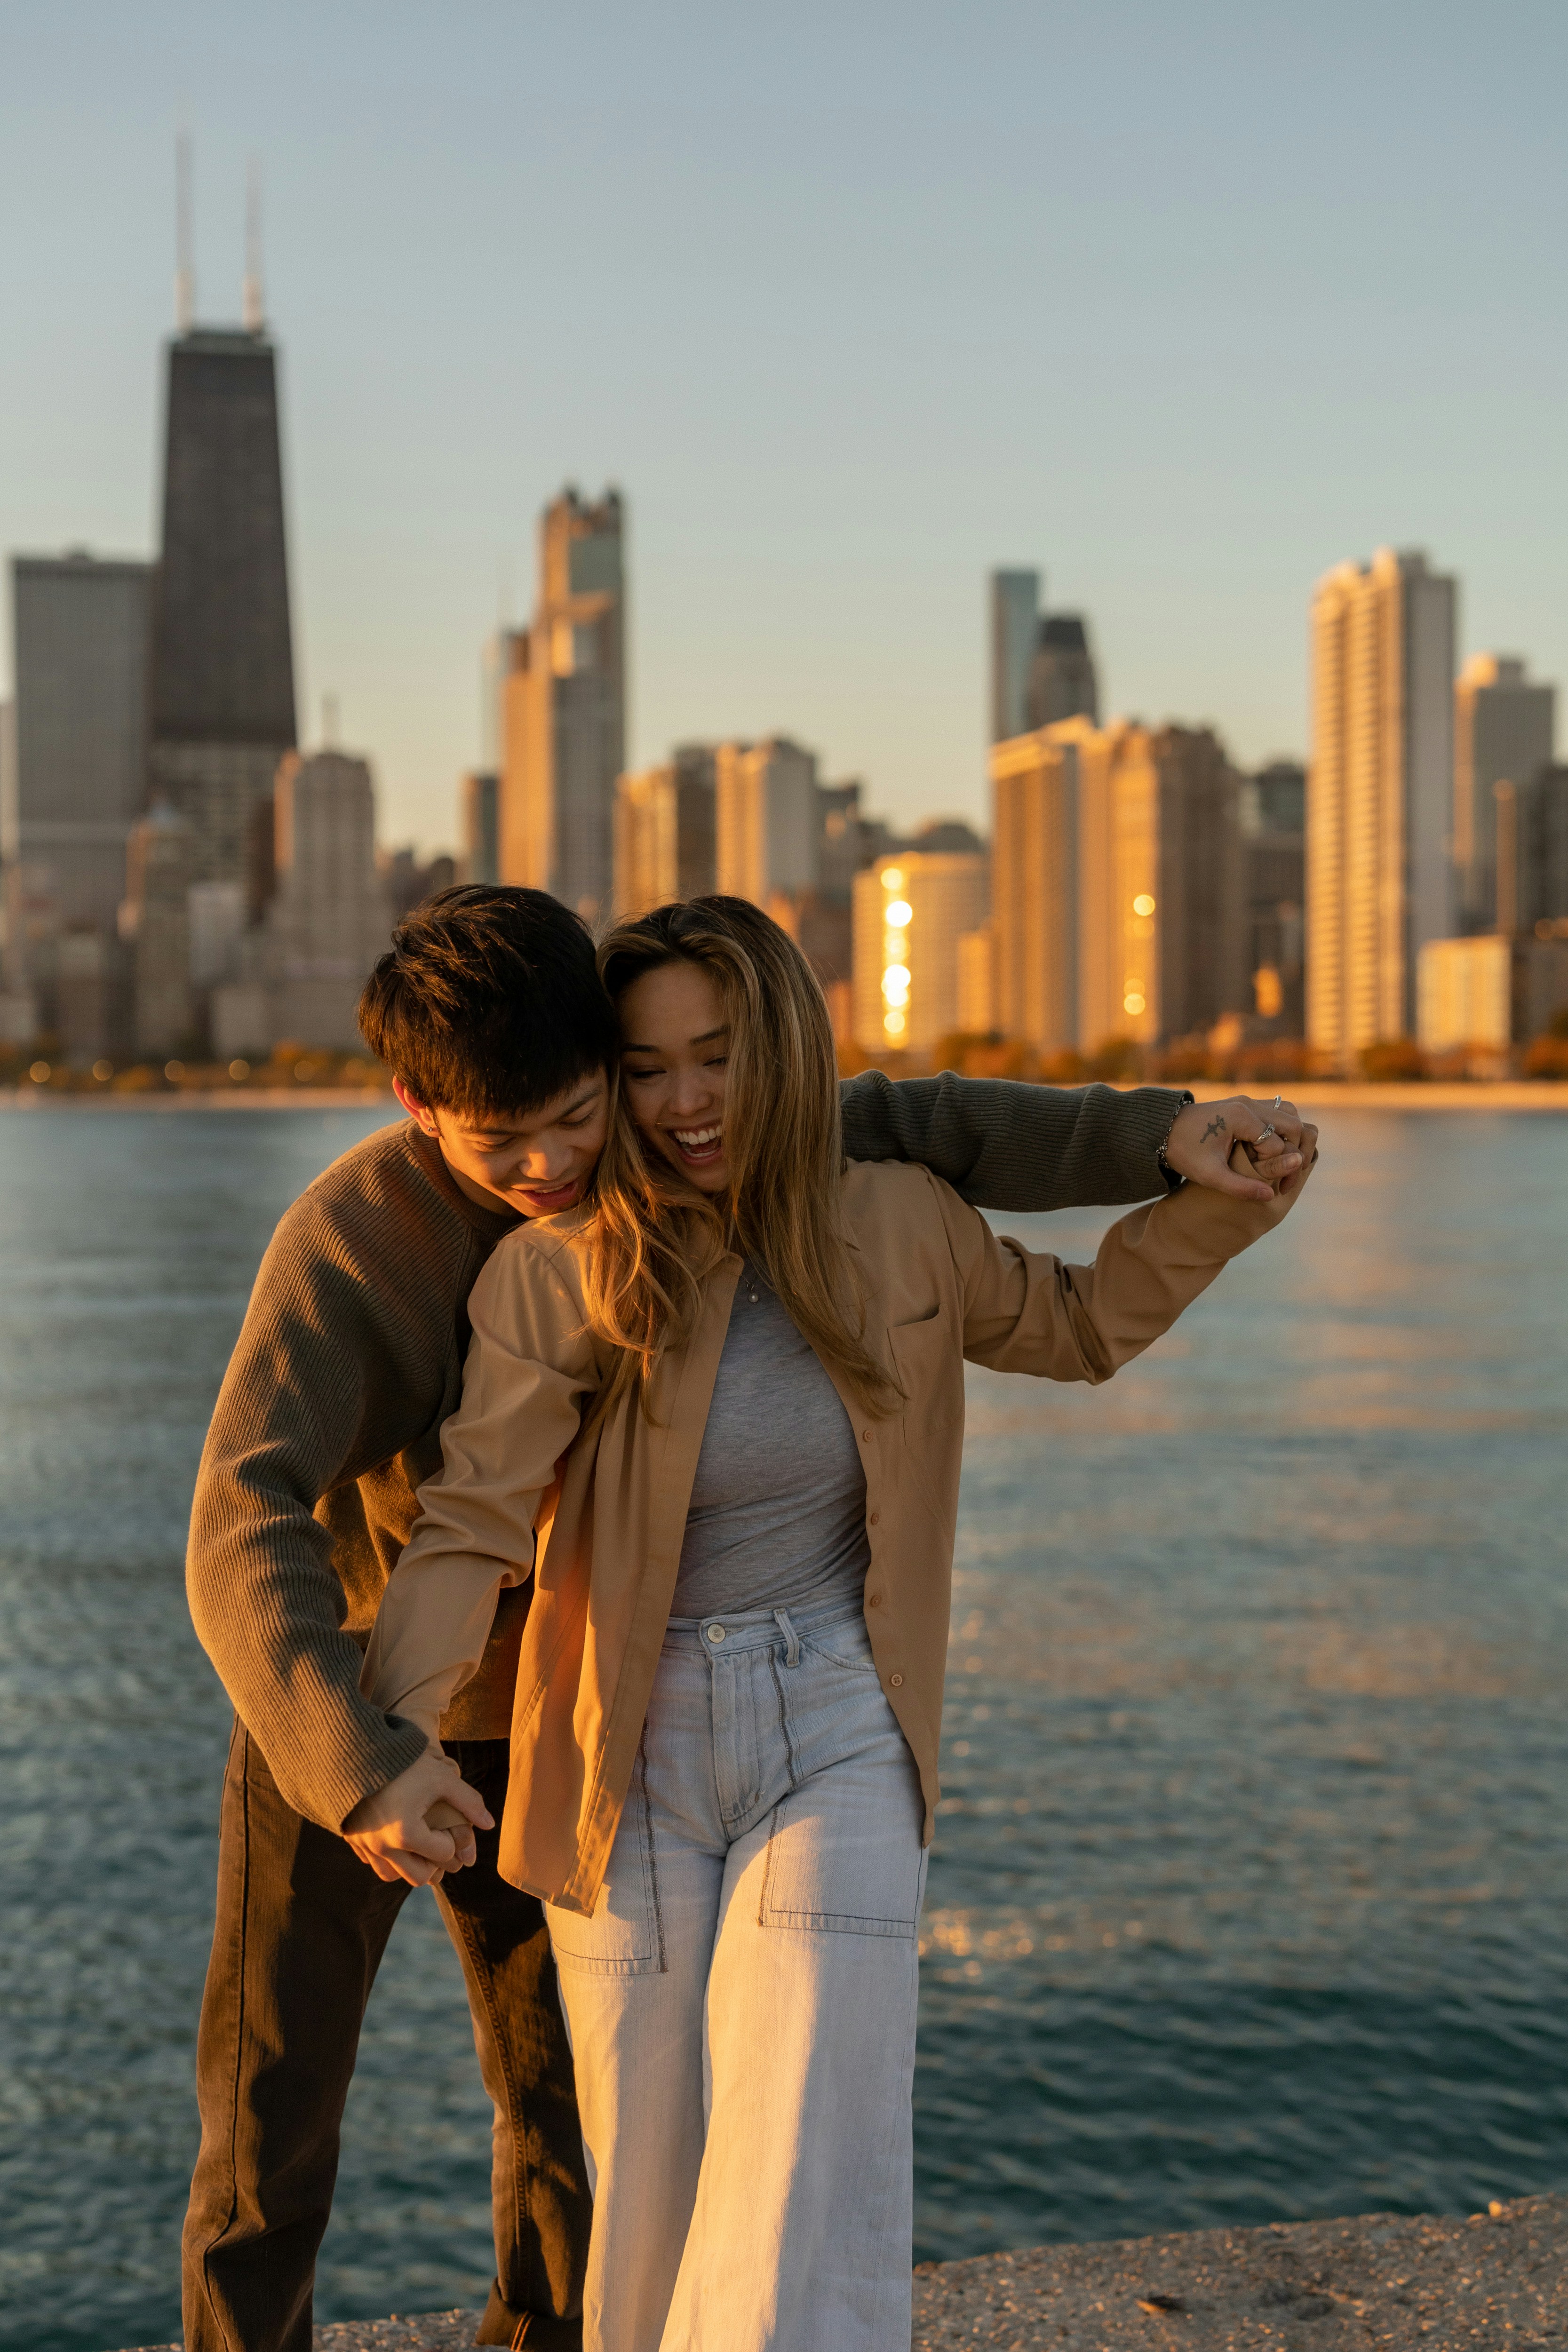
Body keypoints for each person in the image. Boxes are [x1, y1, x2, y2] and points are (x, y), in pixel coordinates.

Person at [182, 883, 1306, 2352]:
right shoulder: (400, 1242)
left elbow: (946, 1136)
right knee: (274, 2116)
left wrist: (1177, 1149)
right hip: (345, 1686)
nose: (555, 1158)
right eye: (506, 1134)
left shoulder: (787, 1184)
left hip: (584, 1697)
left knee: (576, 2133)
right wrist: (360, 1754)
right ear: (416, 1106)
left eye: (585, 1109)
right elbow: (264, 1517)